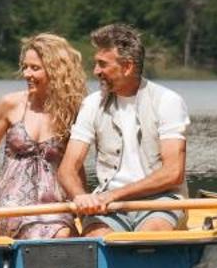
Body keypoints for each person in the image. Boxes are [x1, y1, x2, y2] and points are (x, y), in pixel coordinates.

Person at [59, 22, 189, 237]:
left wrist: (116, 195)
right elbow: (67, 169)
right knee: (94, 239)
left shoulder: (168, 101)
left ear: (127, 67)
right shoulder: (92, 104)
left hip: (161, 201)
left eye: (102, 64)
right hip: (108, 205)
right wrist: (80, 196)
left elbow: (173, 174)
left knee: (151, 236)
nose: (96, 71)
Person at [0, 33, 87, 239]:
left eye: (35, 68)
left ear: (55, 71)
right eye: (25, 67)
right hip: (11, 205)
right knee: (61, 233)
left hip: (53, 205)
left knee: (66, 233)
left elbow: (76, 165)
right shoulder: (10, 104)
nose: (26, 74)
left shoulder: (70, 111)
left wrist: (82, 200)